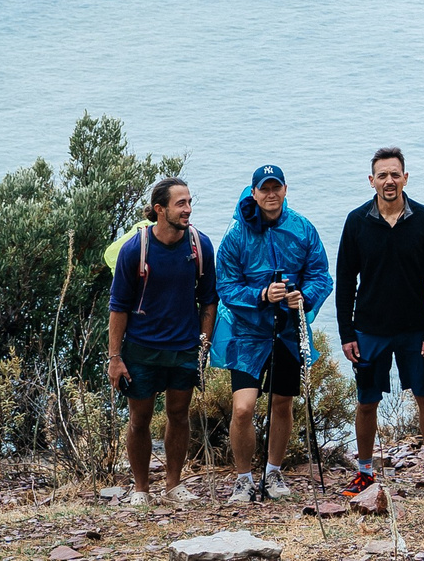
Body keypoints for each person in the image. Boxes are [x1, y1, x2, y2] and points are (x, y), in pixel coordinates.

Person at [215, 163, 333, 504]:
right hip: (248, 333)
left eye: (275, 187)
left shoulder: (302, 228)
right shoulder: (237, 235)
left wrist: (304, 297)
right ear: (253, 193)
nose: (270, 194)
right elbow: (226, 286)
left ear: (284, 190)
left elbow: (320, 274)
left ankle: (273, 472)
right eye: (264, 188)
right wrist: (262, 295)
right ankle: (243, 478)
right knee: (243, 408)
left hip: (287, 331)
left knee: (282, 402)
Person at [335, 147, 424, 497]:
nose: (389, 180)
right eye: (382, 175)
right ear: (372, 181)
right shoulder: (356, 221)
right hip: (370, 330)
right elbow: (344, 280)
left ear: (405, 178)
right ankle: (365, 472)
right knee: (367, 402)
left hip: (416, 329)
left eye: (395, 174)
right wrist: (346, 333)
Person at [105, 177, 217, 506]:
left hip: (184, 349)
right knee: (139, 420)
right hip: (141, 350)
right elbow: (118, 307)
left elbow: (209, 300)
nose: (188, 209)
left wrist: (203, 347)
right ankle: (141, 489)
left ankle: (173, 485)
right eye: (180, 204)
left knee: (179, 415)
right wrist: (115, 357)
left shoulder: (200, 245)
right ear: (160, 209)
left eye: (189, 202)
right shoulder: (134, 250)